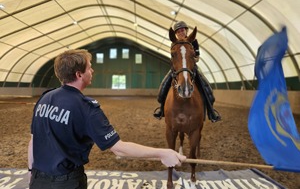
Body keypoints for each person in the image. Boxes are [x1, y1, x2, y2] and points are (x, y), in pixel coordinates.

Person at [28, 49, 186, 189]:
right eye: (90, 67)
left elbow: (33, 140)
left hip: (36, 180)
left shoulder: (45, 98)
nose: (93, 70)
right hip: (66, 183)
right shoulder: (86, 108)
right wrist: (162, 153)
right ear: (79, 74)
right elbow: (119, 148)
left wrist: (30, 172)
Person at [153, 21, 221, 122]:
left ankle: (211, 112)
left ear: (186, 31)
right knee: (164, 86)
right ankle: (162, 109)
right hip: (177, 69)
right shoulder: (174, 43)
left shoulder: (193, 41)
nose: (181, 32)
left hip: (191, 68)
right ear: (175, 33)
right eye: (178, 31)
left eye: (182, 30)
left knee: (206, 87)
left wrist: (192, 58)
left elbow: (197, 57)